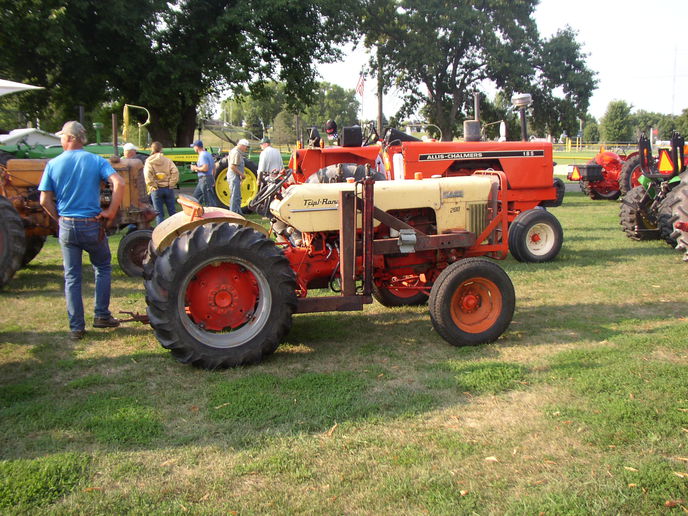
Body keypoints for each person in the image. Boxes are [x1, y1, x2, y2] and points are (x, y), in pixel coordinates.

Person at [39, 121, 125, 341]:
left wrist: (59, 219)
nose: (60, 140)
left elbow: (44, 200)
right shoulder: (96, 160)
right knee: (103, 267)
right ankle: (101, 315)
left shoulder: (53, 164)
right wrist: (111, 212)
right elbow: (119, 183)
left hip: (67, 224)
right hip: (91, 223)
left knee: (72, 277)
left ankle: (77, 327)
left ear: (69, 138)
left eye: (61, 136)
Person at [144, 141, 179, 224]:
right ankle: (176, 230)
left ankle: (160, 234)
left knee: (158, 214)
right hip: (168, 188)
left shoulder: (149, 161)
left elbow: (147, 175)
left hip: (156, 189)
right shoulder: (167, 160)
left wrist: (153, 184)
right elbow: (175, 172)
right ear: (161, 149)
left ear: (151, 149)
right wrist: (171, 184)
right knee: (172, 212)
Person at [190, 140, 218, 206]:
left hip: (204, 179)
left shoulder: (202, 155)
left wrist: (195, 168)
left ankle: (214, 214)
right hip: (207, 178)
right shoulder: (208, 154)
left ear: (197, 147)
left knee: (209, 200)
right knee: (195, 198)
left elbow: (205, 168)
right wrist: (213, 179)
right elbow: (214, 168)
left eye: (193, 147)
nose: (193, 148)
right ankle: (195, 213)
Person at [227, 138, 249, 213]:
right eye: (246, 146)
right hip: (233, 176)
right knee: (234, 195)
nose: (246, 148)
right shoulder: (236, 153)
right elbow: (233, 166)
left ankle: (237, 211)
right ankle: (233, 212)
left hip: (235, 176)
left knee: (237, 195)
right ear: (242, 146)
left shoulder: (237, 152)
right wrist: (241, 174)